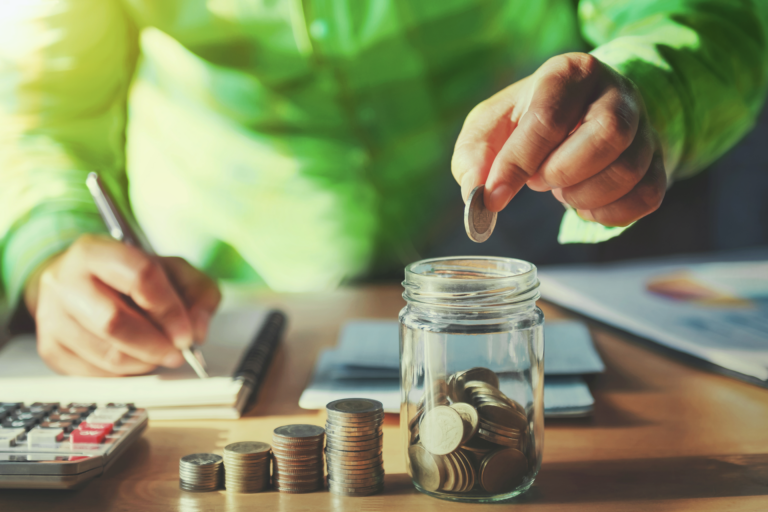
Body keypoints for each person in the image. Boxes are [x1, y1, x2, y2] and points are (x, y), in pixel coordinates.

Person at [1, 1, 765, 376]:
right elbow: (39, 103)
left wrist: (650, 94)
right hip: (229, 315)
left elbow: (711, 16)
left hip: (558, 280)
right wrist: (51, 245)